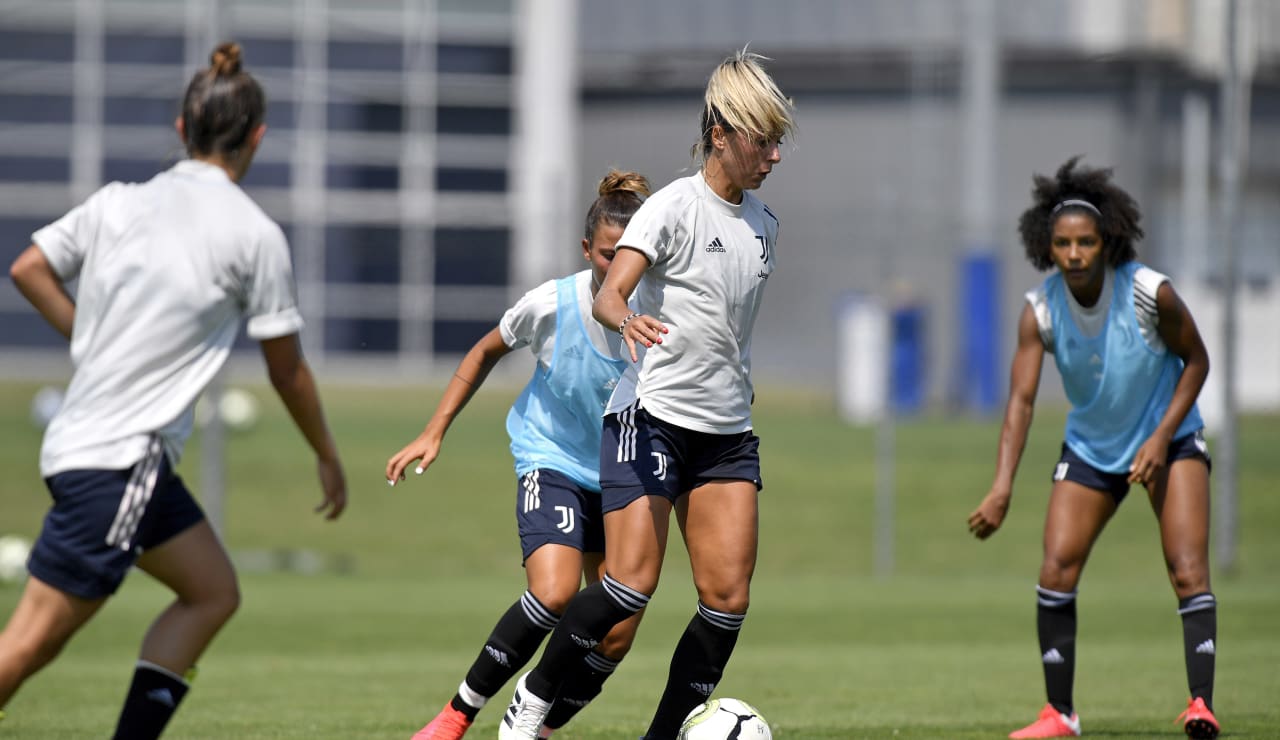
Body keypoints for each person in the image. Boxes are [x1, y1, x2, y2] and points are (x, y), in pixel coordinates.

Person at [0, 42, 347, 740]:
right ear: (258, 137)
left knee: (212, 591)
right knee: (32, 642)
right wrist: (326, 454)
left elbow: (29, 267)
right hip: (120, 461)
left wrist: (87, 341)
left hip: (100, 450)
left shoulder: (117, 202)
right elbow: (287, 370)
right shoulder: (254, 234)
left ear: (182, 130)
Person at [498, 49, 796, 740]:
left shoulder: (766, 225)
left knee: (727, 602)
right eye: (764, 139)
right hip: (651, 417)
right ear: (721, 134)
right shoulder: (670, 209)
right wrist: (624, 315)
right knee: (630, 585)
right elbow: (609, 293)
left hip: (726, 433)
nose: (774, 156)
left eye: (779, 140)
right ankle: (532, 702)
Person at [385, 170, 652, 740]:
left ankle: (536, 727)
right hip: (550, 456)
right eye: (607, 255)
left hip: (622, 477)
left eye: (630, 256)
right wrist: (435, 430)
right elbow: (484, 351)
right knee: (554, 592)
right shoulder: (551, 304)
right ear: (587, 250)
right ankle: (455, 716)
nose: (618, 268)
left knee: (618, 632)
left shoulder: (662, 312)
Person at [967, 157, 1219, 739]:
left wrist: (1161, 438)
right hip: (1091, 446)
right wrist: (1003, 485)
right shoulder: (1041, 310)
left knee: (1187, 569)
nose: (1075, 253)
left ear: (1107, 241)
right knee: (1055, 568)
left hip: (1170, 439)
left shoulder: (1149, 293)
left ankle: (1200, 704)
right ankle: (1060, 714)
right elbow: (1021, 402)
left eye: (1085, 242)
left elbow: (1197, 361)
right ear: (1046, 247)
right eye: (1063, 244)